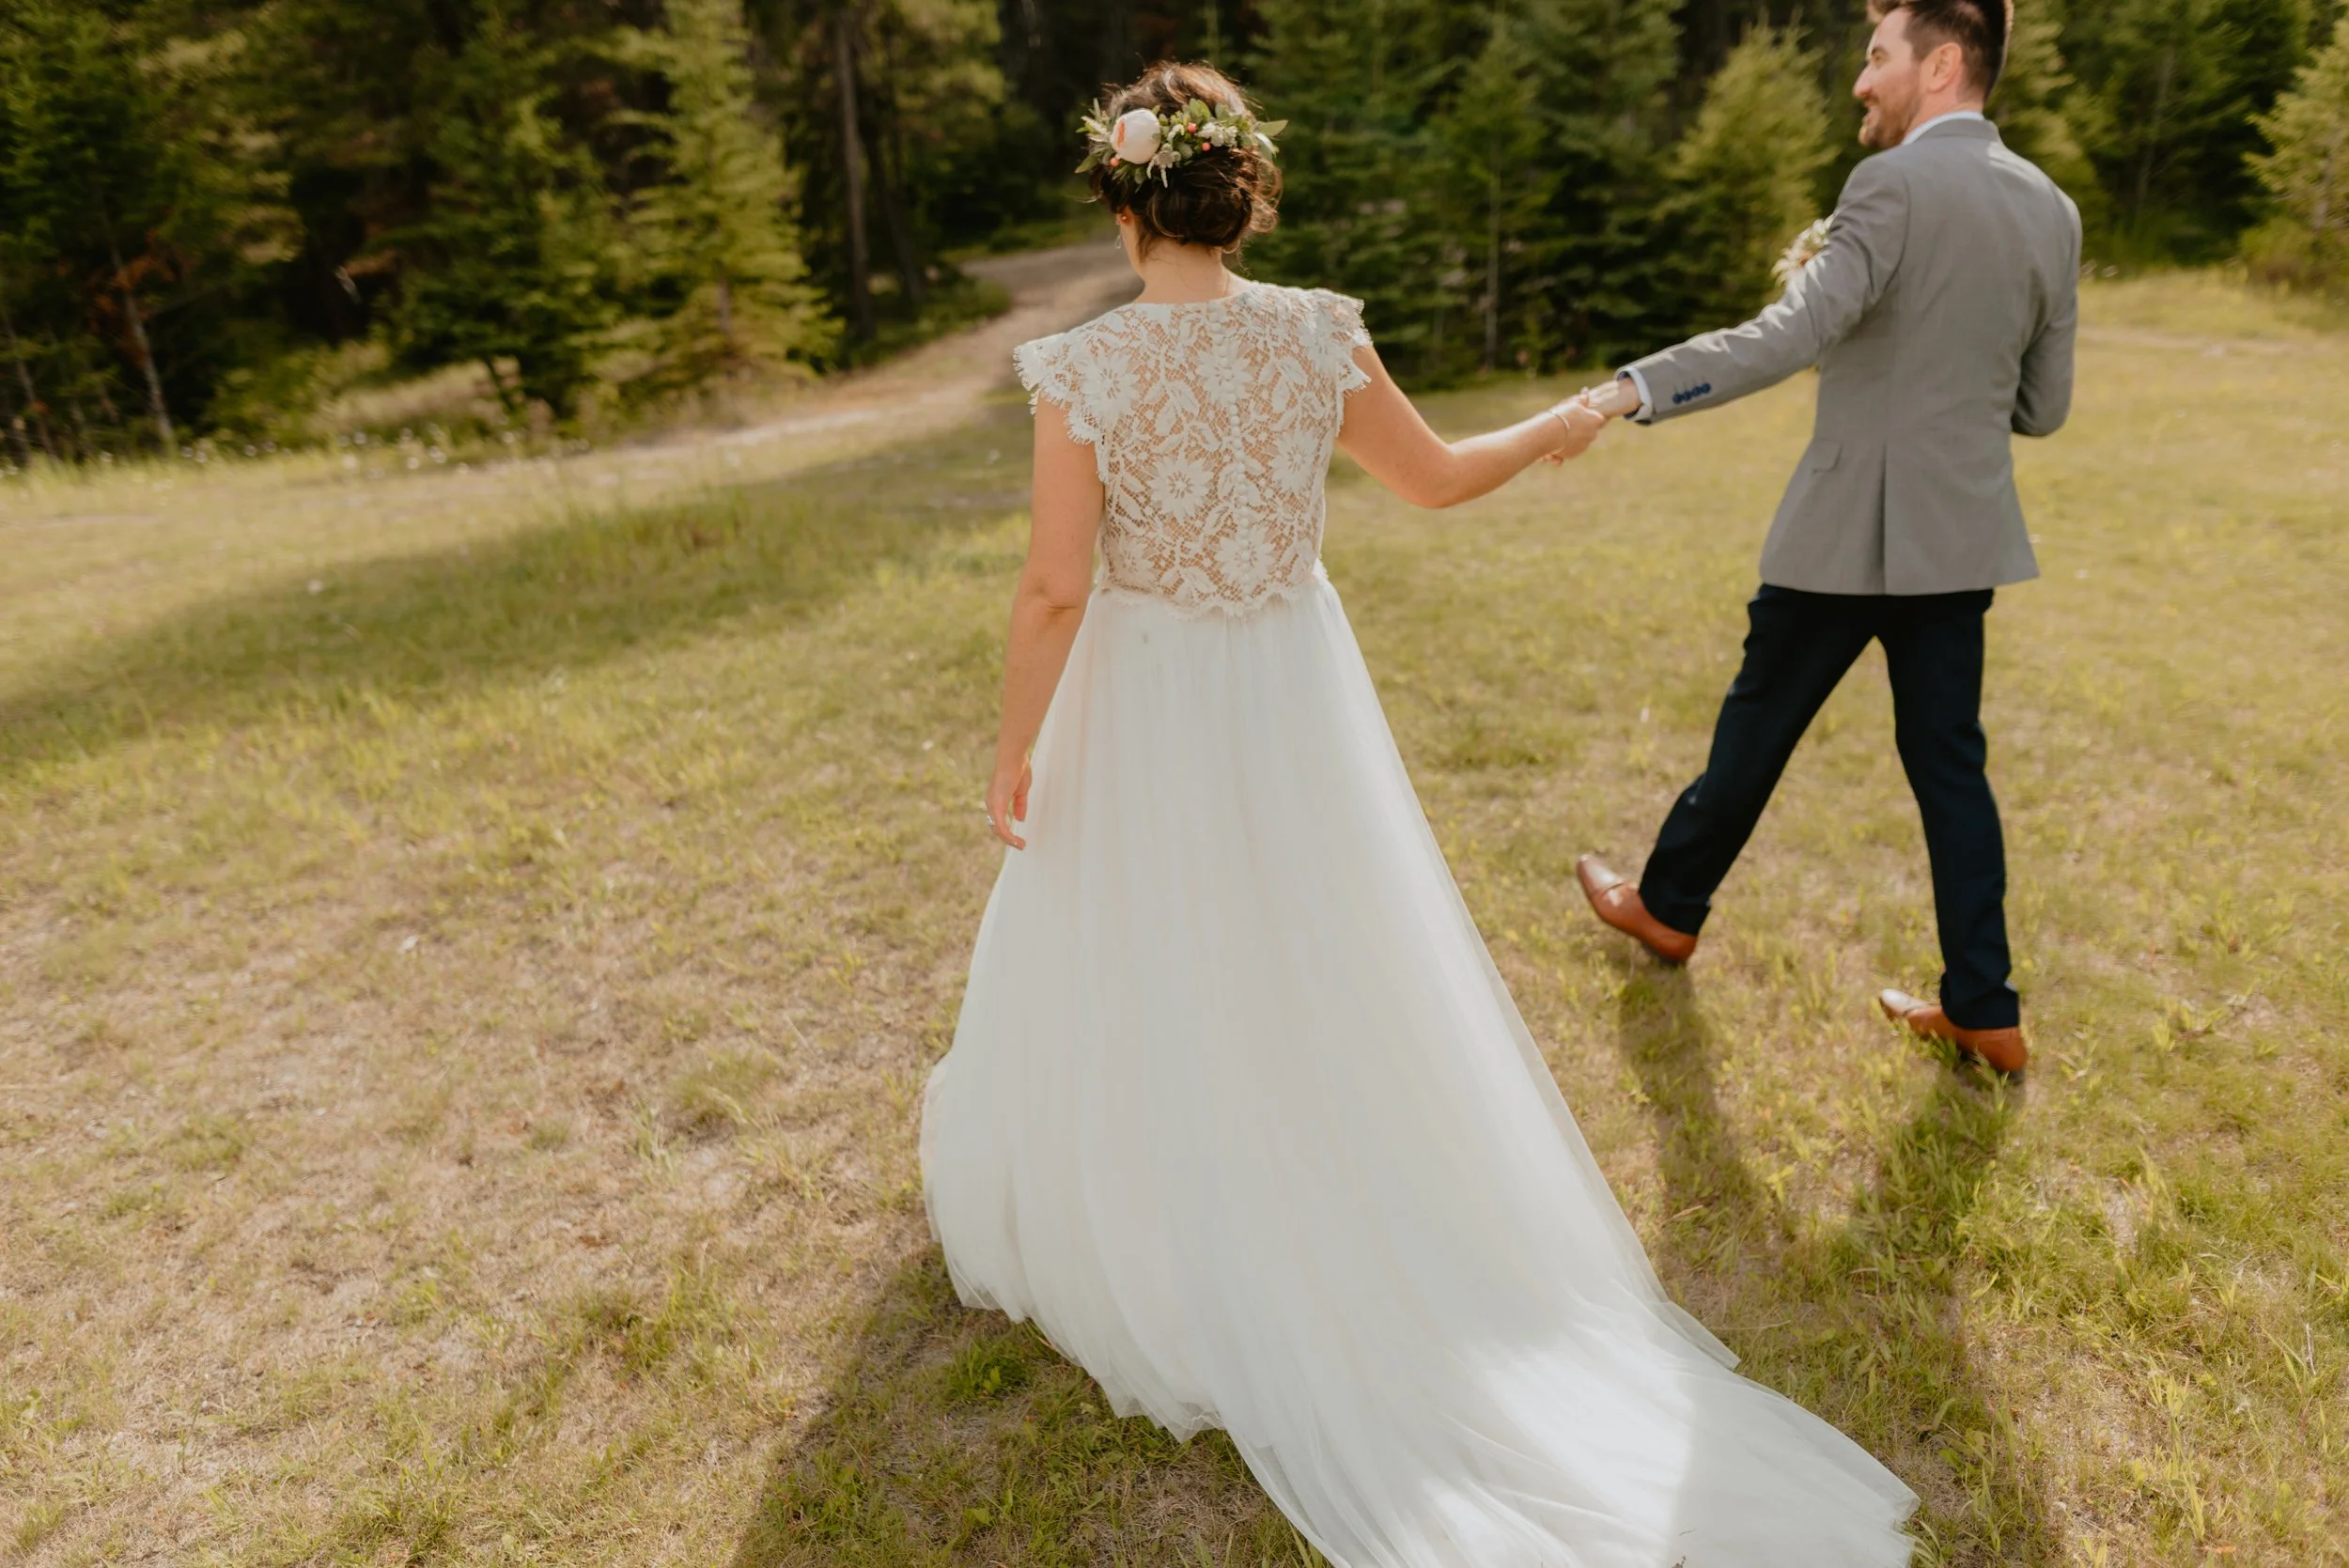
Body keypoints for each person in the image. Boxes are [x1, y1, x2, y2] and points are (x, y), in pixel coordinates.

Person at [921, 59, 1919, 1566]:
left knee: (1143, 939)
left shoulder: (1092, 370)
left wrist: (1015, 748)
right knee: (1317, 946)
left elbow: (1059, 586)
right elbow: (1439, 479)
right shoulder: (1316, 330)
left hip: (1151, 695)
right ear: (1235, 194)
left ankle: (1168, 1205)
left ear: (1128, 203)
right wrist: (1560, 425)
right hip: (1293, 696)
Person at [1576, 0, 2080, 1076]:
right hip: (1957, 543)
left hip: (1844, 534)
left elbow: (1787, 335)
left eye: (1876, 55)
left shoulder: (1886, 184)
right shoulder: (2052, 209)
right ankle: (1986, 1007)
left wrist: (1637, 388)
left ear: (1941, 65)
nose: (1861, 77)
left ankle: (1666, 907)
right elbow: (2041, 408)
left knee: (1754, 733)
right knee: (1951, 767)